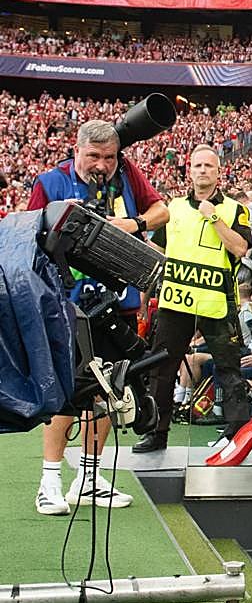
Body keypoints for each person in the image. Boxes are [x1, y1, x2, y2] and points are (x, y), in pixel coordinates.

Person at [26, 119, 169, 514]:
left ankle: (88, 479)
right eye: (94, 156)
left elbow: (162, 211)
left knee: (111, 390)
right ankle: (49, 481)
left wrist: (133, 223)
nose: (102, 164)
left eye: (109, 157)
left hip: (116, 305)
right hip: (66, 305)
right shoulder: (49, 182)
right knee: (66, 393)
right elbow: (27, 239)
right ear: (77, 151)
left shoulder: (127, 175)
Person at [136, 144, 252, 454]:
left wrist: (213, 217)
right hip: (175, 302)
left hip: (217, 304)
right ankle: (156, 433)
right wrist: (143, 299)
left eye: (208, 166)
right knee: (161, 369)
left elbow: (240, 249)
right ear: (189, 170)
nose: (203, 170)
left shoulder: (234, 209)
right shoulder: (172, 207)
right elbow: (157, 254)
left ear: (219, 172)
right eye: (197, 165)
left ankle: (237, 433)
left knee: (229, 369)